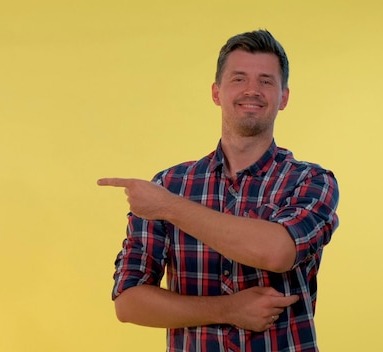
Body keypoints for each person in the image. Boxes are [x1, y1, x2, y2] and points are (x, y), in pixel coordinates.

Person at [97, 29, 339, 352]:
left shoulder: (311, 182)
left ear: (284, 97)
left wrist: (170, 208)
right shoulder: (170, 185)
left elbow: (278, 251)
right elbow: (128, 302)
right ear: (216, 92)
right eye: (239, 79)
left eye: (266, 81)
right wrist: (229, 310)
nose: (252, 90)